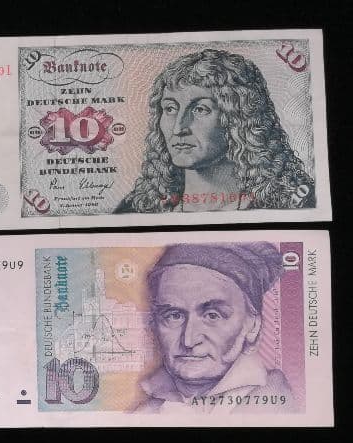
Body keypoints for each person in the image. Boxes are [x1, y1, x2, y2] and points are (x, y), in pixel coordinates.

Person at [115, 49, 315, 214]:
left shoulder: (293, 202)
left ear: (238, 119)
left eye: (200, 109)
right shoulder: (136, 209)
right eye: (170, 109)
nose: (178, 129)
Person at [135, 242, 294, 413]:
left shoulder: (276, 404)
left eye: (212, 315)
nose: (189, 340)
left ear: (252, 325)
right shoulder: (143, 413)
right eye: (174, 316)